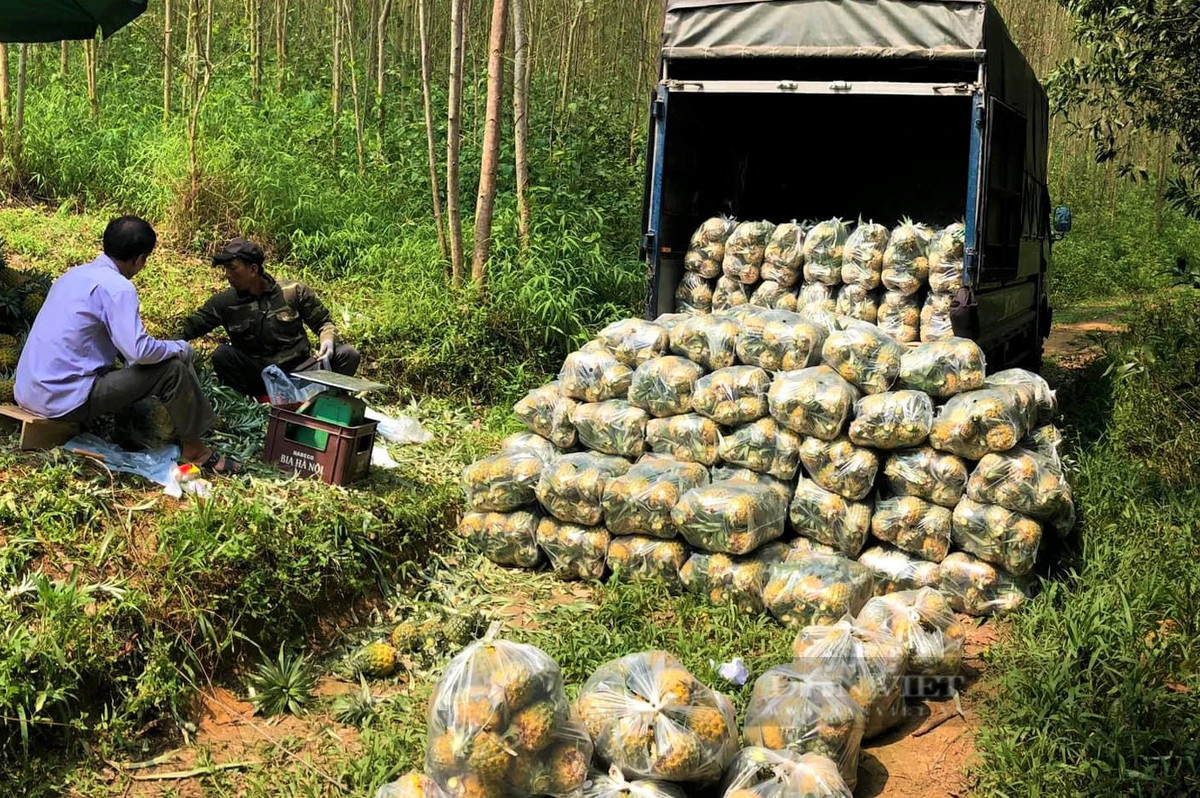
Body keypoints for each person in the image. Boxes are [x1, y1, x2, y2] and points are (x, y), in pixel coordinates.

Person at [14, 215, 243, 474]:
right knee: (173, 369)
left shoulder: (74, 275)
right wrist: (179, 347)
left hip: (27, 390)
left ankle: (132, 429)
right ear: (140, 259)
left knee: (131, 365)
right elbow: (139, 351)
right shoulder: (118, 288)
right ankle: (197, 451)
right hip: (61, 400)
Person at [178, 238, 361, 398]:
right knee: (222, 355)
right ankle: (249, 404)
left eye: (232, 268)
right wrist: (160, 348)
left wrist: (327, 340)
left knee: (348, 355)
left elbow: (324, 323)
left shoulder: (293, 291)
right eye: (225, 269)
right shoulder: (224, 303)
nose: (227, 275)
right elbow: (189, 327)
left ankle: (323, 400)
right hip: (259, 377)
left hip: (302, 372)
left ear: (253, 269)